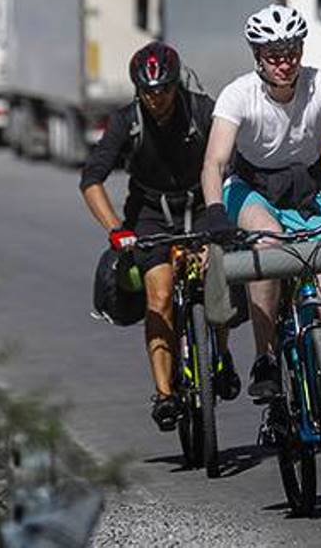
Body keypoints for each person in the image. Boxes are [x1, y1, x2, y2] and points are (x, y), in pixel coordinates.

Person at [199, 3, 321, 479]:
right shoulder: (238, 95)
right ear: (257, 57)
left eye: (291, 51)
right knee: (271, 247)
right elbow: (214, 162)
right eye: (273, 54)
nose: (284, 61)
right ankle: (265, 360)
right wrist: (215, 211)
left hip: (307, 189)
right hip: (252, 190)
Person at [80, 42, 241, 432]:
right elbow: (92, 180)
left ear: (177, 83)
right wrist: (116, 230)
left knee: (215, 275)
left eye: (165, 89)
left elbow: (233, 163)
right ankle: (166, 394)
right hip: (151, 216)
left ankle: (220, 354)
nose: (158, 99)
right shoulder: (126, 121)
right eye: (149, 92)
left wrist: (223, 215)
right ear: (138, 90)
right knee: (161, 293)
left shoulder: (203, 110)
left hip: (202, 206)